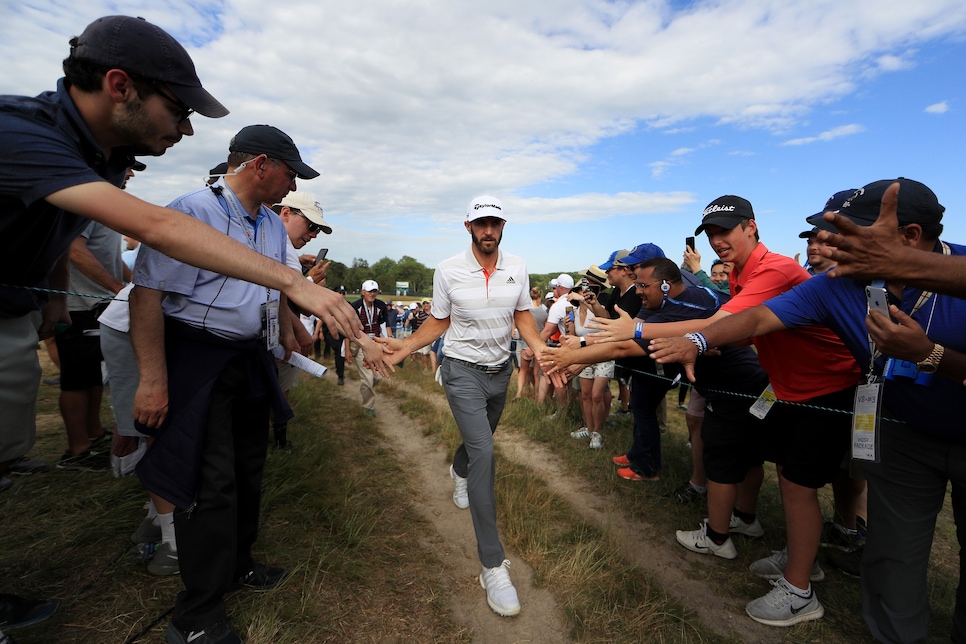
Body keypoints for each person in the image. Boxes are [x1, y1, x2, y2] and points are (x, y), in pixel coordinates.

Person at [0, 14, 365, 504]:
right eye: (177, 109)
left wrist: (52, 298)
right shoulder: (21, 134)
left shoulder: (101, 157)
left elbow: (57, 228)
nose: (189, 129)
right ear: (119, 86)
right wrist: (293, 282)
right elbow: (159, 230)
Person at [652, 177, 965, 641]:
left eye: (848, 231)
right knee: (893, 553)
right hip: (903, 430)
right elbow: (759, 317)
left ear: (910, 237)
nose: (830, 243)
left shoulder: (956, 273)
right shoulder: (838, 283)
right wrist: (697, 340)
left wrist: (932, 355)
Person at [131, 125, 391, 644]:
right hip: (197, 356)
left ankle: (237, 564)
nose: (293, 184)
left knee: (249, 469)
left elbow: (276, 291)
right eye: (291, 173)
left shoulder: (271, 227)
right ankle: (196, 614)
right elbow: (147, 295)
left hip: (246, 357)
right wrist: (154, 380)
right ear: (261, 165)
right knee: (212, 483)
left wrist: (290, 330)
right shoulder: (192, 210)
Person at [556, 195, 862, 627]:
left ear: (751, 227)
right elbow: (734, 328)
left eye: (727, 230)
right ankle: (800, 560)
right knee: (791, 479)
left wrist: (641, 328)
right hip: (790, 387)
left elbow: (722, 323)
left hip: (823, 387)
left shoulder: (773, 269)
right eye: (713, 233)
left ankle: (799, 590)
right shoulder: (740, 272)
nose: (719, 240)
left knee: (797, 483)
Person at [378, 195, 544, 617]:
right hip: (461, 370)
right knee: (485, 451)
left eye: (495, 223)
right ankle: (492, 564)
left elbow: (523, 316)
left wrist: (541, 350)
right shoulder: (448, 270)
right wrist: (407, 346)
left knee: (478, 444)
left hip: (499, 371)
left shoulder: (518, 267)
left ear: (503, 227)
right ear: (468, 226)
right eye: (481, 223)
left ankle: (458, 468)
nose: (489, 230)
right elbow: (440, 320)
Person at [271, 190, 331, 448]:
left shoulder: (278, 243)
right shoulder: (275, 243)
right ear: (286, 213)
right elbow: (276, 293)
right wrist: (309, 282)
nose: (314, 234)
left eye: (317, 228)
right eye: (311, 225)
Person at [348, 280, 389, 416]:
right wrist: (347, 349)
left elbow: (385, 324)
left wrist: (389, 341)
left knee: (377, 377)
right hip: (361, 345)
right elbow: (348, 328)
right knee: (368, 378)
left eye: (374, 291)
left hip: (376, 344)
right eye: (369, 291)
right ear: (363, 292)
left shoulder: (380, 306)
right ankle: (368, 406)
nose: (372, 294)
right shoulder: (355, 307)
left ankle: (365, 388)